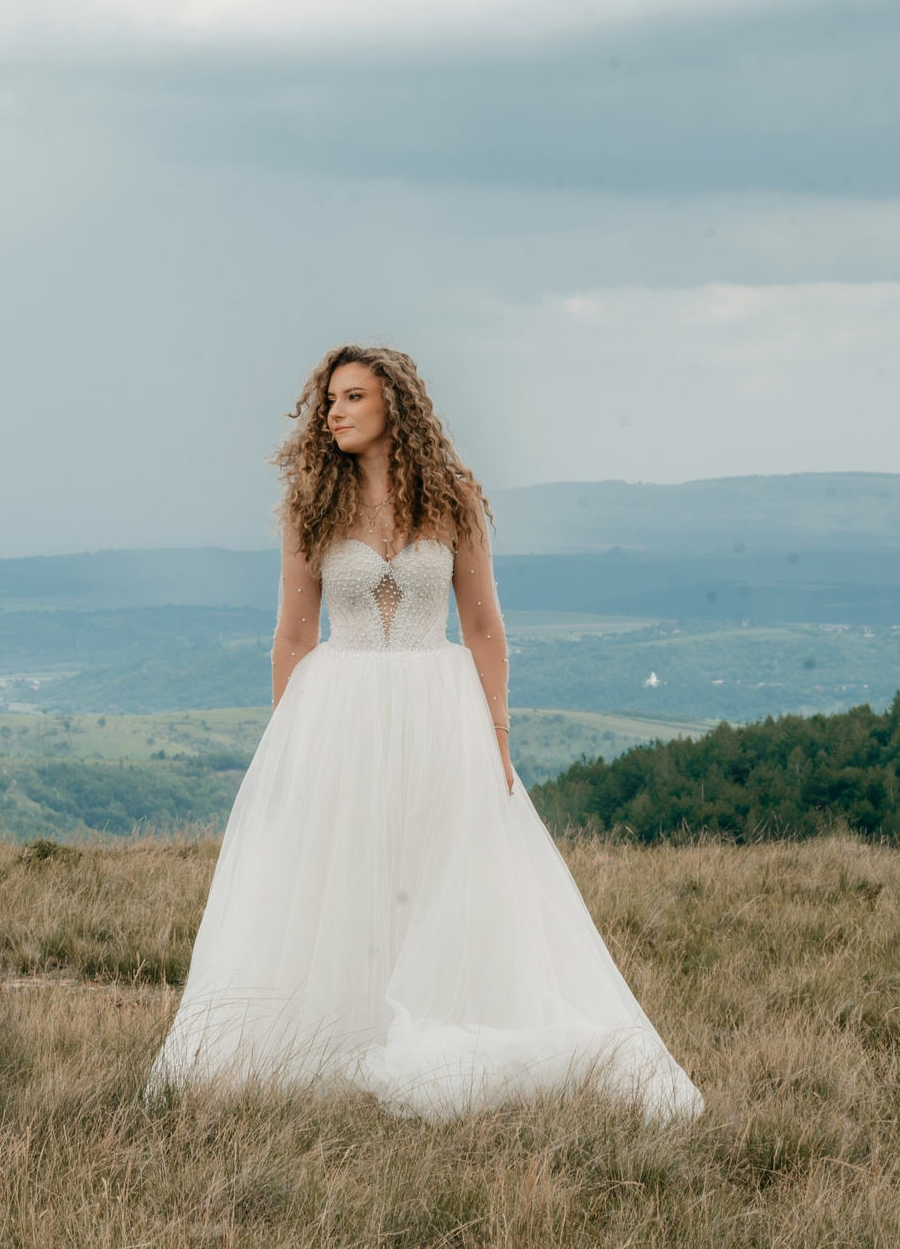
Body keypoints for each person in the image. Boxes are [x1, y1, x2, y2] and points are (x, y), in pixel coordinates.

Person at [148, 345, 701, 1121]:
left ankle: (445, 1028)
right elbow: (293, 636)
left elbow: (483, 627)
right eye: (329, 400)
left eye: (352, 397)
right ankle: (335, 1041)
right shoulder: (311, 504)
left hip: (439, 707)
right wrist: (289, 747)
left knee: (442, 869)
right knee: (343, 871)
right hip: (337, 708)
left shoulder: (451, 497)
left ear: (392, 405)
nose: (334, 411)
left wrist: (498, 738)